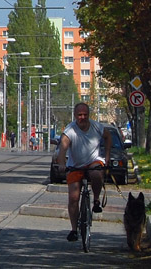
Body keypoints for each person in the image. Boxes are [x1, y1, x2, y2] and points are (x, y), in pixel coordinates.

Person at [56, 102, 111, 242]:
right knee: (74, 197)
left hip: (93, 161)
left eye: (85, 114)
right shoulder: (70, 130)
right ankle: (74, 229)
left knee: (96, 173)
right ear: (75, 116)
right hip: (75, 166)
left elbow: (108, 137)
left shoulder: (96, 127)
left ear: (89, 115)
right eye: (79, 115)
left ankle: (96, 200)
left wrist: (107, 156)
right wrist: (62, 164)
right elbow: (62, 148)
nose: (82, 117)